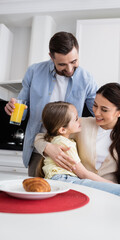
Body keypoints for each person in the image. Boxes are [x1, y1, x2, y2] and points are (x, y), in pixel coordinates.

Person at [35, 83, 120, 206]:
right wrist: (48, 148)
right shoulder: (81, 125)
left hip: (109, 197)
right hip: (79, 194)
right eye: (95, 105)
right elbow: (42, 137)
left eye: (104, 110)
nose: (97, 112)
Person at [4, 31, 98, 176]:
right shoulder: (34, 72)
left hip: (67, 151)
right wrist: (12, 108)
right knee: (36, 194)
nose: (69, 69)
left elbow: (100, 114)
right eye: (62, 64)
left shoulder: (87, 79)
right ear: (51, 57)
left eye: (74, 62)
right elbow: (21, 112)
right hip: (38, 150)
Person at [35, 101, 120, 199]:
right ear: (62, 130)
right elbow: (83, 173)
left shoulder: (58, 140)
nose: (80, 121)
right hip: (65, 180)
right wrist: (111, 184)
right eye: (76, 119)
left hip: (64, 179)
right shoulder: (64, 144)